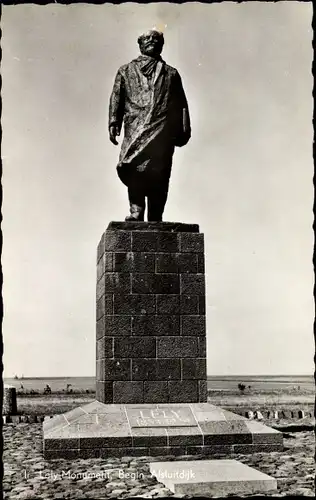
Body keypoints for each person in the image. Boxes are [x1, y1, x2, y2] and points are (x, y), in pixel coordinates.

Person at [109, 30, 191, 222]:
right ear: (140, 44)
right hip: (135, 128)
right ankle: (136, 212)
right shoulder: (126, 71)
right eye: (147, 39)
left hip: (163, 130)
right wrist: (114, 120)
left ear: (162, 45)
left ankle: (156, 215)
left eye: (156, 39)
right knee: (134, 168)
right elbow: (117, 97)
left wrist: (184, 128)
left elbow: (182, 103)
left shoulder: (171, 73)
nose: (152, 41)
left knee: (160, 173)